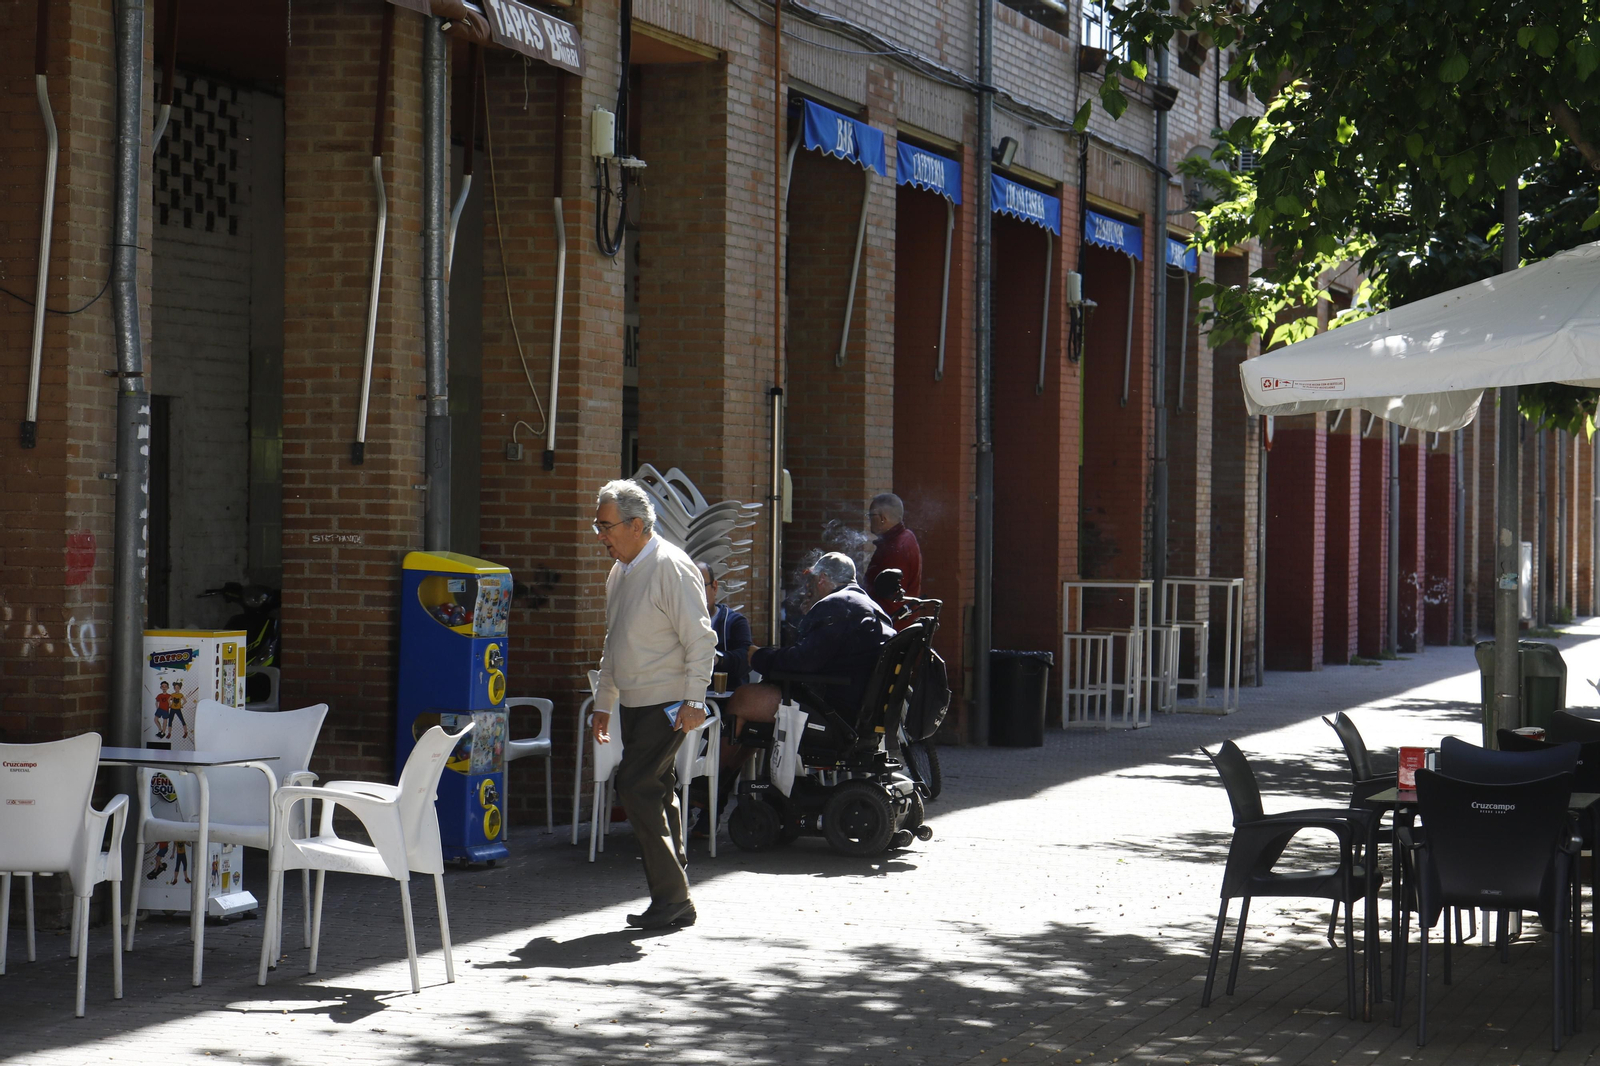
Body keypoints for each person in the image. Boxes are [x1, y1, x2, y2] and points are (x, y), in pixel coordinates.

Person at [591, 479, 718, 931]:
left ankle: (673, 899)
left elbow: (702, 639)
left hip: (667, 701)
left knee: (636, 784)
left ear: (637, 525)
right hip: (637, 702)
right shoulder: (620, 571)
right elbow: (614, 642)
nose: (600, 536)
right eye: (598, 526)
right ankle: (674, 887)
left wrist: (694, 699)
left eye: (606, 526)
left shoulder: (670, 566)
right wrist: (604, 702)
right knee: (655, 787)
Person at [727, 552, 896, 731]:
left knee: (744, 698)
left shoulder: (835, 605)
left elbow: (801, 662)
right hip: (861, 711)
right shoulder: (870, 607)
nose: (808, 587)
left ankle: (723, 760)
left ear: (822, 578)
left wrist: (757, 657)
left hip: (836, 714)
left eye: (812, 579)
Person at [864, 493, 922, 617]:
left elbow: (887, 599)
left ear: (882, 519)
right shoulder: (906, 536)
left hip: (889, 626)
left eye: (871, 515)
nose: (869, 519)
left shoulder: (895, 548)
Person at [698, 562, 751, 692]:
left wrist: (718, 658)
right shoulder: (675, 623)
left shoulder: (734, 622)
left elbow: (746, 659)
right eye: (689, 587)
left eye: (700, 585)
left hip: (724, 702)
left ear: (714, 587)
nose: (695, 592)